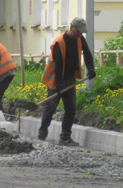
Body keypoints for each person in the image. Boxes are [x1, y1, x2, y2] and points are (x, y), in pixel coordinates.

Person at [38, 17, 96, 146]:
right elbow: (58, 65)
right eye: (77, 31)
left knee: (71, 108)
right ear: (71, 27)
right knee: (50, 107)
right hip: (55, 79)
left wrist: (91, 69)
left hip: (70, 80)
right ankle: (42, 134)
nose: (79, 34)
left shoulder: (80, 39)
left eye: (81, 32)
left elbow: (87, 54)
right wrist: (58, 85)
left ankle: (65, 137)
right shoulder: (59, 42)